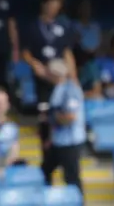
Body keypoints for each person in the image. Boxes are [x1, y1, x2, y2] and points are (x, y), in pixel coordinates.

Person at [21, 0, 77, 156]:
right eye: (51, 5)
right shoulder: (32, 27)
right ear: (44, 4)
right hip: (43, 76)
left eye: (57, 6)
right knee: (45, 113)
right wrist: (34, 64)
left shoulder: (62, 27)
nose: (54, 9)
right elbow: (25, 52)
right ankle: (46, 149)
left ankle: (62, 147)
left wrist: (72, 77)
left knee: (61, 112)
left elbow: (67, 52)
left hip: (60, 78)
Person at [41, 58, 85, 192]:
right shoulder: (57, 89)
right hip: (58, 141)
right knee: (44, 170)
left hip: (70, 142)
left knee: (71, 177)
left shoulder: (70, 89)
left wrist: (53, 117)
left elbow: (71, 117)